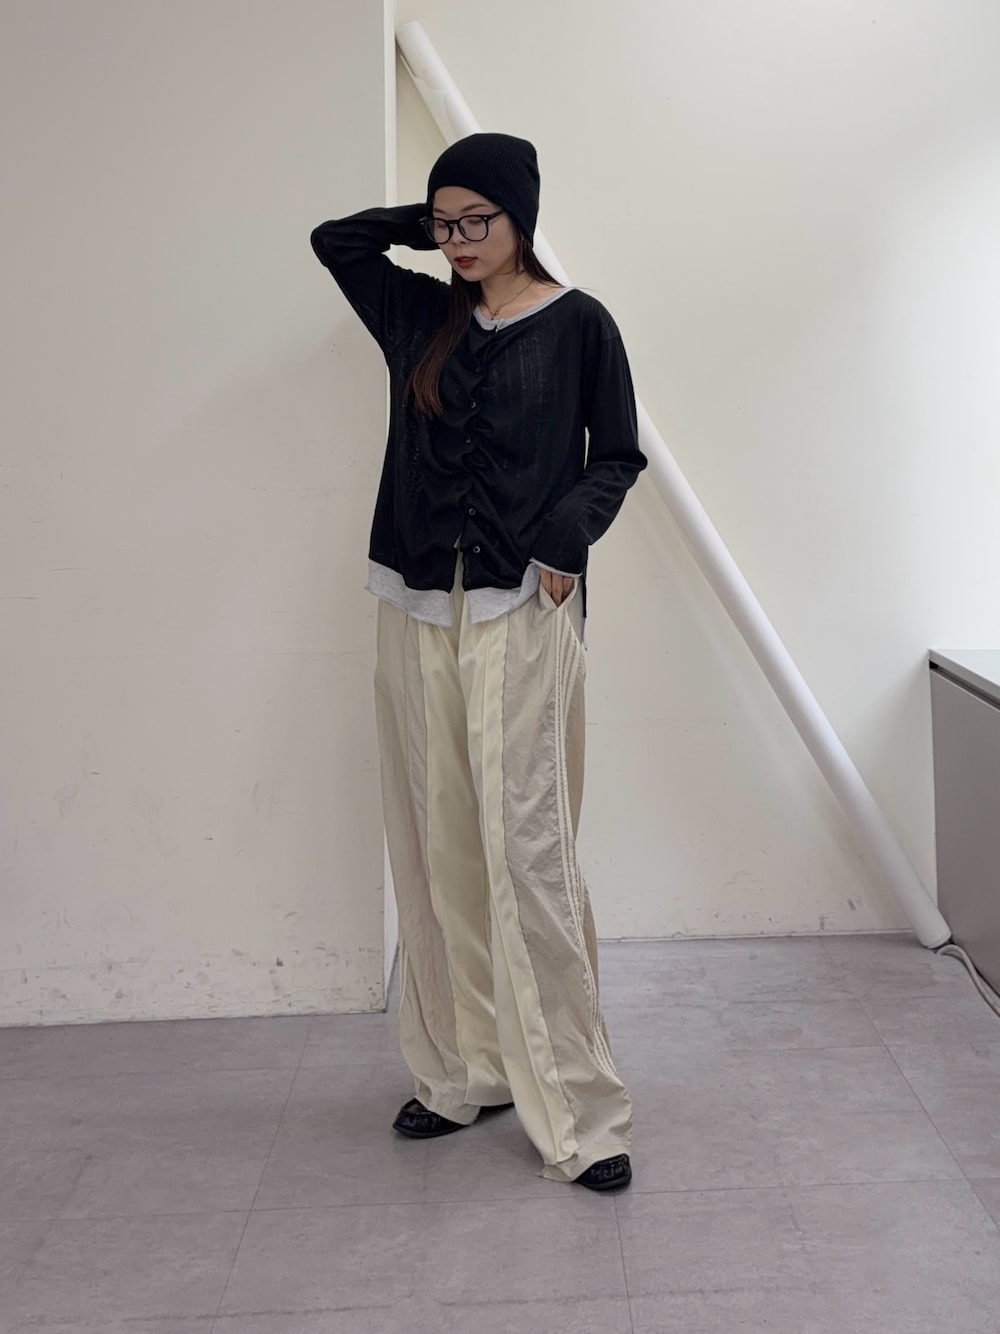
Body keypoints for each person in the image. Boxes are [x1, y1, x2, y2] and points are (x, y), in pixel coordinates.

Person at [311, 132, 646, 1191]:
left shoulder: (581, 324)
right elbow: (335, 240)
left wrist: (565, 536)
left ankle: (582, 1112)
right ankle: (465, 1070)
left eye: (476, 220)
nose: (456, 240)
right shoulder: (420, 315)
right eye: (443, 222)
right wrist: (424, 223)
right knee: (435, 836)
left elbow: (617, 455)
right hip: (416, 600)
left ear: (520, 216)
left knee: (526, 845)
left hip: (524, 602)